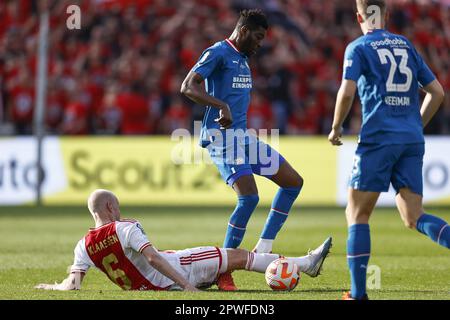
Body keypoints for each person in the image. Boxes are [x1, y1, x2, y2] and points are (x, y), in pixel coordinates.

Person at [181, 9, 319, 291]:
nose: (260, 44)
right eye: (257, 37)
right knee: (249, 199)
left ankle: (264, 246)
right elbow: (188, 86)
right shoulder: (218, 52)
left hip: (243, 138)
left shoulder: (243, 60)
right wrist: (221, 106)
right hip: (221, 138)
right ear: (242, 31)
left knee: (293, 183)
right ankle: (222, 270)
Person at [328, 0, 449, 300]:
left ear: (359, 16)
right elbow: (437, 92)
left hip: (379, 137)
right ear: (387, 14)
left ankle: (357, 295)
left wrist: (336, 127)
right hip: (410, 139)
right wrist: (414, 124)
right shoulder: (405, 45)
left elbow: (347, 90)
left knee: (356, 214)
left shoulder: (357, 47)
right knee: (414, 216)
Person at [35, 189, 332, 292]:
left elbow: (72, 284)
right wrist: (187, 285)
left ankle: (210, 279)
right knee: (239, 256)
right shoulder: (125, 228)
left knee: (229, 260)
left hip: (152, 286)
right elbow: (152, 257)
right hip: (179, 269)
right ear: (111, 208)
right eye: (118, 205)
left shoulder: (83, 245)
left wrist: (50, 286)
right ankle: (306, 265)